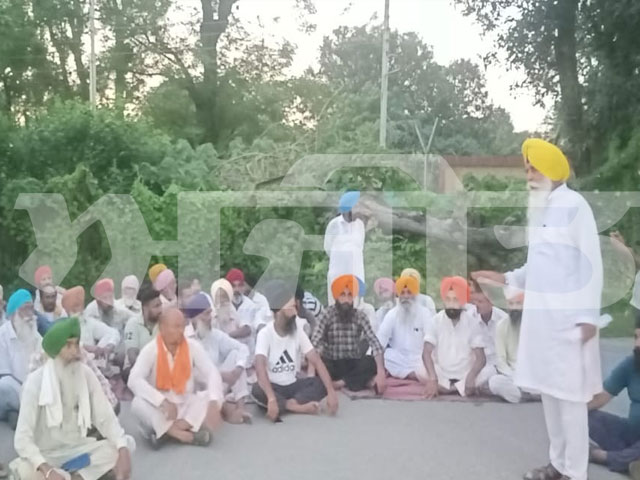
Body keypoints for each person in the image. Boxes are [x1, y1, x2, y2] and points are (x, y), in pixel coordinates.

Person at [473, 138, 603, 480]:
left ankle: (576, 472)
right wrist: (505, 277)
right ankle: (557, 464)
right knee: (549, 394)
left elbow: (591, 264)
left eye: (533, 169)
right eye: (527, 170)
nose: (528, 176)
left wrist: (587, 317)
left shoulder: (576, 206)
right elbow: (538, 267)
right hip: (542, 321)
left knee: (570, 399)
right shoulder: (542, 211)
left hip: (569, 321)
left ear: (551, 170)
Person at [9, 317, 134, 480]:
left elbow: (106, 418)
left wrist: (122, 449)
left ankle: (76, 476)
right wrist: (48, 471)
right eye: (68, 346)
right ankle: (76, 475)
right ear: (55, 351)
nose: (75, 352)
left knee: (125, 445)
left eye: (76, 344)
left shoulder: (85, 374)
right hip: (46, 455)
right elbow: (22, 439)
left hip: (78, 448)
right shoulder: (34, 383)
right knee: (27, 471)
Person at [128, 308, 224, 448]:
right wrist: (162, 401)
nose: (181, 331)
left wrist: (214, 403)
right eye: (176, 327)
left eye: (182, 326)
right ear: (162, 328)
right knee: (137, 403)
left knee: (212, 396)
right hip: (162, 409)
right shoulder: (150, 349)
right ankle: (183, 435)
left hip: (185, 404)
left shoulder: (192, 346)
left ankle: (167, 431)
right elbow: (134, 379)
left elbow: (211, 371)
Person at [253, 280, 338, 421]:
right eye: (291, 308)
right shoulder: (265, 334)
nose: (295, 311)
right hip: (273, 386)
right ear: (279, 310)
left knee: (320, 383)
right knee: (257, 390)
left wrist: (331, 391)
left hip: (293, 385)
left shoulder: (297, 330)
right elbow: (260, 367)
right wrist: (271, 398)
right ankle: (295, 406)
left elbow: (316, 360)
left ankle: (289, 404)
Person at [311, 274, 386, 393]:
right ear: (336, 297)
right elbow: (315, 342)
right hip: (332, 363)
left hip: (352, 362)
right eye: (342, 295)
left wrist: (381, 372)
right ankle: (356, 381)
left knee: (371, 362)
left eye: (349, 295)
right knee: (320, 364)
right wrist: (312, 371)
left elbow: (374, 342)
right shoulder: (327, 314)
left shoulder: (360, 316)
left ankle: (341, 383)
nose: (346, 300)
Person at [185, 293, 252, 424]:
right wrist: (220, 375)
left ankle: (240, 408)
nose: (210, 318)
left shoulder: (213, 334)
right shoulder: (185, 339)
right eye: (206, 314)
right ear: (194, 318)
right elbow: (191, 373)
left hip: (218, 384)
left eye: (210, 313)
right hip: (197, 390)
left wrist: (237, 370)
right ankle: (225, 411)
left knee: (235, 354)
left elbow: (242, 348)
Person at [422, 276, 492, 398]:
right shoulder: (435, 321)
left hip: (465, 373)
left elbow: (481, 358)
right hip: (441, 373)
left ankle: (448, 388)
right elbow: (426, 353)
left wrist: (471, 377)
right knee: (420, 367)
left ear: (463, 301)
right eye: (448, 300)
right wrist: (433, 378)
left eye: (455, 300)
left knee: (489, 371)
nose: (451, 305)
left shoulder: (472, 322)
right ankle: (459, 389)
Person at [587, 328, 640, 476]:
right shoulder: (632, 363)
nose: (637, 344)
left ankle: (599, 455)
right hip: (630, 434)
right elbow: (602, 396)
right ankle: (630, 460)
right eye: (636, 337)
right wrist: (573, 411)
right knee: (586, 417)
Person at [377, 276, 433, 382]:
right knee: (387, 355)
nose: (406, 296)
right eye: (402, 293)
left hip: (420, 358)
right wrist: (380, 372)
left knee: (432, 362)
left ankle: (409, 374)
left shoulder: (424, 313)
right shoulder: (392, 314)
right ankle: (414, 375)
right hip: (399, 358)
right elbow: (380, 341)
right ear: (398, 295)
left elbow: (430, 339)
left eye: (409, 292)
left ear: (415, 295)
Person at [0, 289, 43, 429]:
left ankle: (19, 413)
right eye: (25, 309)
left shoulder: (35, 334)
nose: (30, 314)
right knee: (3, 386)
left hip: (34, 386)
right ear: (14, 313)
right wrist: (25, 389)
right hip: (13, 387)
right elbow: (5, 374)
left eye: (31, 308)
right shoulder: (2, 336)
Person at [324, 191, 366, 304]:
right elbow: (327, 248)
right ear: (349, 208)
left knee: (356, 307)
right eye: (358, 206)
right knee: (336, 306)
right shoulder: (334, 225)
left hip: (356, 275)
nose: (360, 209)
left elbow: (360, 247)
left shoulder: (360, 225)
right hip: (338, 274)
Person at [487, 290, 529, 403]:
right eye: (511, 304)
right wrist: (514, 376)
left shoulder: (534, 325)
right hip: (512, 375)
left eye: (518, 303)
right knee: (494, 381)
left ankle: (519, 394)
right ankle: (525, 395)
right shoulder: (501, 326)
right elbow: (501, 360)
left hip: (532, 376)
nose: (514, 308)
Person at [123, 284, 162, 376]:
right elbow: (132, 356)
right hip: (135, 368)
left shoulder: (164, 323)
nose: (160, 309)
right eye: (156, 306)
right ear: (145, 308)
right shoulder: (133, 323)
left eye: (161, 305)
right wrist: (150, 371)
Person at [469, 279, 508, 369]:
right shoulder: (470, 318)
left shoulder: (503, 319)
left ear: (491, 302)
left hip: (500, 367)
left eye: (480, 302)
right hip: (477, 366)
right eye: (475, 301)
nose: (476, 305)